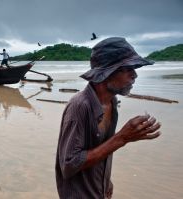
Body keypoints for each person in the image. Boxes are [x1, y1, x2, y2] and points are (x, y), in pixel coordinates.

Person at [55, 37, 161, 199]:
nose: (135, 75)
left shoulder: (111, 102)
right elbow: (69, 164)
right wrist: (122, 138)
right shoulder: (80, 106)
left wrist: (104, 180)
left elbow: (101, 149)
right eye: (128, 69)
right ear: (107, 73)